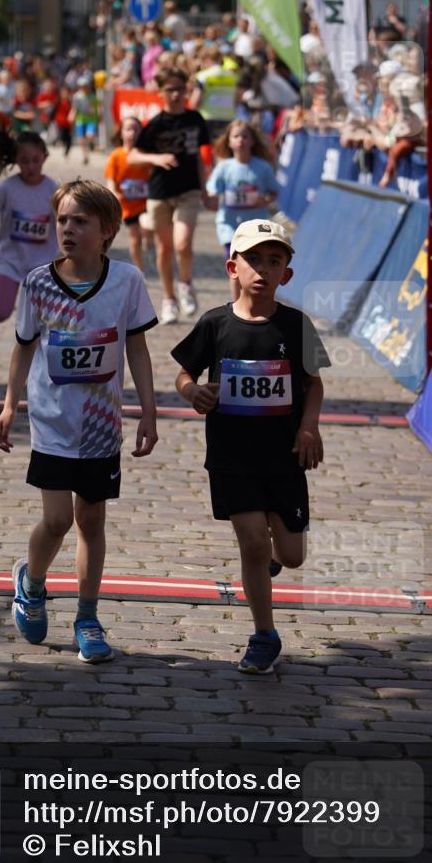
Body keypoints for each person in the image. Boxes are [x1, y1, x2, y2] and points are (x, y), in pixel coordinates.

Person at [0, 180, 158, 661]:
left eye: (79, 221)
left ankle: (88, 616)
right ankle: (32, 581)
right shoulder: (38, 282)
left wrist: (148, 410)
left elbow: (138, 348)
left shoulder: (127, 281)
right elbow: (23, 348)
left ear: (107, 230)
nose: (67, 229)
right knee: (58, 520)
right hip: (51, 422)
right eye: (62, 219)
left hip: (102, 427)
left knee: (91, 519)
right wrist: (9, 405)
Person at [172, 220, 330, 673]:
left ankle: (272, 565)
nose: (263, 269)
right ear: (232, 267)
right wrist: (192, 392)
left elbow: (313, 385)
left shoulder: (296, 325)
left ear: (287, 274)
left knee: (291, 556)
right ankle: (265, 635)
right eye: (253, 259)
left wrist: (309, 427)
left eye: (274, 261)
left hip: (284, 458)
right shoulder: (214, 323)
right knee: (253, 545)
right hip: (231, 457)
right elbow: (184, 372)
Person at [128, 68, 210, 324]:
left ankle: (185, 284)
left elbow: (199, 157)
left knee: (183, 244)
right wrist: (156, 157)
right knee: (164, 249)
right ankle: (169, 298)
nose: (175, 94)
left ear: (186, 90)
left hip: (189, 190)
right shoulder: (155, 124)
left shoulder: (195, 119)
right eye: (170, 89)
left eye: (179, 89)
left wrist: (206, 188)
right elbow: (132, 155)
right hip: (160, 191)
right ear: (161, 92)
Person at [0, 131, 58, 322]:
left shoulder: (53, 189)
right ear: (16, 161)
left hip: (42, 263)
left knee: (37, 320)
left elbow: (64, 221)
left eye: (36, 160)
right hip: (10, 259)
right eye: (24, 161)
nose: (31, 166)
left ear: (44, 157)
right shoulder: (8, 188)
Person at [204, 120, 278, 301]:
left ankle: (254, 301)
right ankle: (237, 306)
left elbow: (273, 192)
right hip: (229, 226)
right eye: (236, 136)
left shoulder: (262, 167)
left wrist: (265, 200)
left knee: (253, 267)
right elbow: (213, 188)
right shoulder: (224, 167)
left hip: (254, 227)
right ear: (229, 142)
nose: (241, 140)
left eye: (245, 136)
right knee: (236, 265)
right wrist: (213, 197)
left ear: (252, 141)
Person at [104, 116, 153, 272]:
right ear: (121, 133)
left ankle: (149, 241)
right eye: (128, 129)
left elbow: (154, 175)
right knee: (134, 238)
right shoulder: (116, 156)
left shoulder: (146, 154)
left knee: (146, 227)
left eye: (136, 129)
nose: (132, 133)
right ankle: (139, 269)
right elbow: (110, 179)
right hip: (127, 205)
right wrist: (113, 193)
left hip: (145, 203)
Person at [70, 77, 99, 165]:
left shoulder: (93, 96)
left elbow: (97, 108)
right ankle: (85, 156)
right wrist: (72, 115)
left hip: (91, 120)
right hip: (81, 120)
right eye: (82, 86)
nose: (84, 88)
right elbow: (74, 108)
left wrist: (98, 115)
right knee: (81, 140)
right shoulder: (77, 97)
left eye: (85, 86)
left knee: (89, 135)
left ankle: (91, 144)